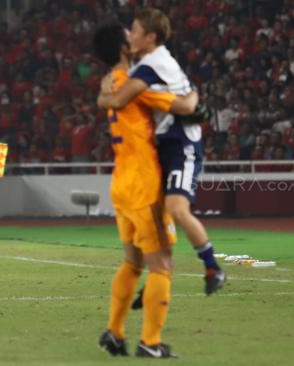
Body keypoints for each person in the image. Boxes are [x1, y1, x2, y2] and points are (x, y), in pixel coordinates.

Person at [99, 8, 226, 296]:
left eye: (135, 30)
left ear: (151, 37)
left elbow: (119, 99)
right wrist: (194, 98)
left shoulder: (150, 65)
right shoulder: (152, 62)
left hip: (182, 145)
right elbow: (188, 94)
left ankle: (212, 266)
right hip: (164, 146)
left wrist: (102, 95)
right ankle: (157, 278)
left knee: (176, 210)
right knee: (158, 215)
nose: (130, 35)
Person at [93, 20, 200, 359]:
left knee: (132, 262)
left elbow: (104, 99)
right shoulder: (136, 84)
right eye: (129, 35)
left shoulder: (109, 82)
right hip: (144, 184)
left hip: (121, 181)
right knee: (162, 265)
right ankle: (150, 342)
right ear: (125, 48)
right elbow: (185, 107)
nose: (133, 37)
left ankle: (114, 332)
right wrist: (195, 92)